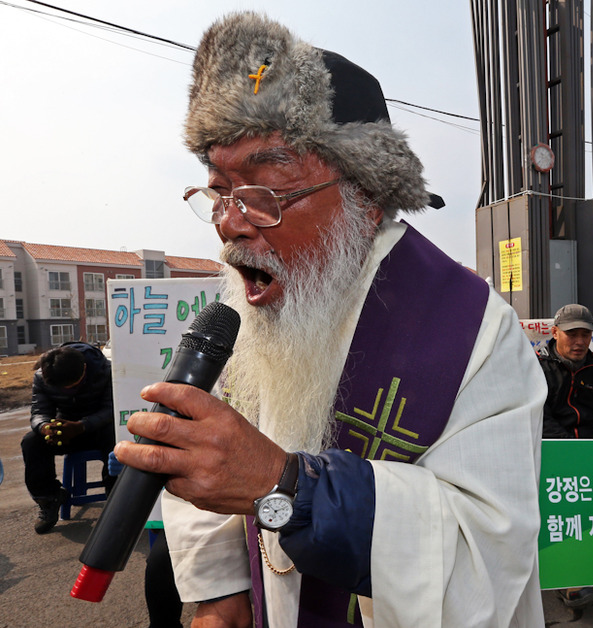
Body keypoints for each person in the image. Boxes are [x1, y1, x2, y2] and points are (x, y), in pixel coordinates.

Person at [114, 13, 545, 627]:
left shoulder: (475, 333)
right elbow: (208, 452)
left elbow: (484, 548)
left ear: (365, 197)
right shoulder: (248, 307)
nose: (232, 224)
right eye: (219, 192)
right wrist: (218, 588)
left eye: (262, 194)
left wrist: (286, 486)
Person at [537, 304, 593, 609]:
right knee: (563, 517)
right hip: (551, 456)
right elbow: (537, 417)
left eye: (585, 334)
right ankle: (569, 576)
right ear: (554, 332)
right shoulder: (535, 367)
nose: (579, 341)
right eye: (571, 333)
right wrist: (572, 450)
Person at [21, 342, 114, 534]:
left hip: (99, 429)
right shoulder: (42, 376)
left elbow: (111, 409)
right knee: (31, 442)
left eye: (71, 386)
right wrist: (45, 427)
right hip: (66, 430)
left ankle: (116, 499)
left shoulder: (107, 372)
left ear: (85, 370)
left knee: (116, 440)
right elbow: (39, 412)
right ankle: (49, 498)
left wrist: (83, 425)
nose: (66, 391)